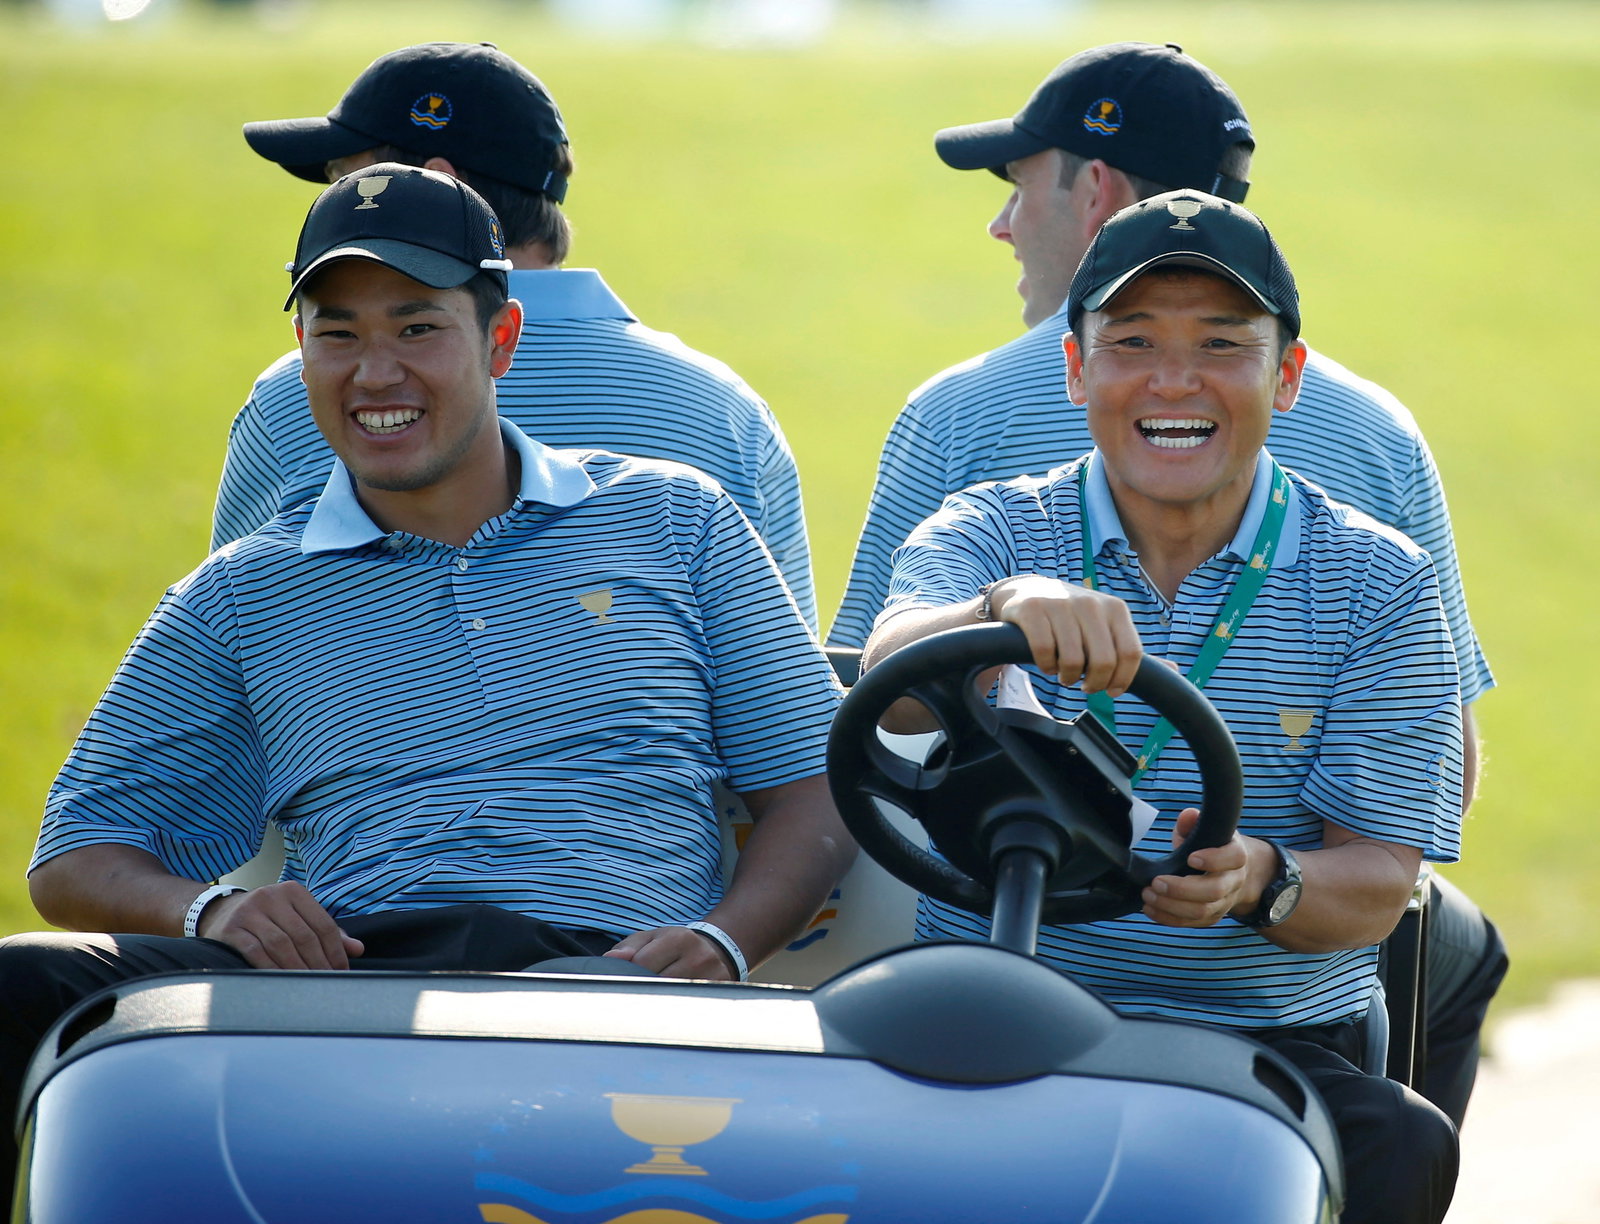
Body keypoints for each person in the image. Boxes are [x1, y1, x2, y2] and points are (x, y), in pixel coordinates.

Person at [0, 165, 854, 1200]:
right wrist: (213, 911)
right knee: (20, 979)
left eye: (416, 328)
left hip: (601, 975)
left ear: (499, 341)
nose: (374, 373)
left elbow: (813, 785)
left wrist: (724, 943)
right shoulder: (241, 590)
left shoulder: (675, 519)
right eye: (337, 332)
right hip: (351, 983)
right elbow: (75, 853)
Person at [831, 40, 1504, 1125]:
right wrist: (997, 607)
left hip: (1260, 1048)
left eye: (1220, 346)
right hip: (1000, 1011)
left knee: (1398, 1144)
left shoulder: (1381, 582)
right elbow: (888, 668)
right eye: (1133, 341)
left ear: (1285, 375)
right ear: (1075, 367)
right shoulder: (995, 525)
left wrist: (1260, 882)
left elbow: (1382, 876)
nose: (1173, 381)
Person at [221, 40, 818, 630]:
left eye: (350, 182)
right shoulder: (726, 409)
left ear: (432, 183)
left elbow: (236, 648)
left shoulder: (298, 397)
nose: (335, 209)